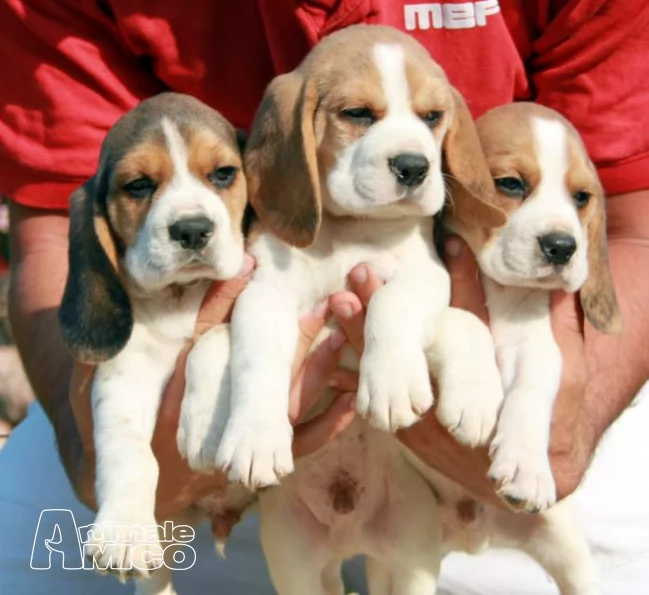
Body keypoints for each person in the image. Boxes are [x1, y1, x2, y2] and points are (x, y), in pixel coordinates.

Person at [1, 1, 648, 593]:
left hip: (503, 427)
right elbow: (60, 222)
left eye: (428, 118)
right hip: (199, 416)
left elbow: (632, 229)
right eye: (358, 113)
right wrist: (108, 455)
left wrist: (562, 421)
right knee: (29, 555)